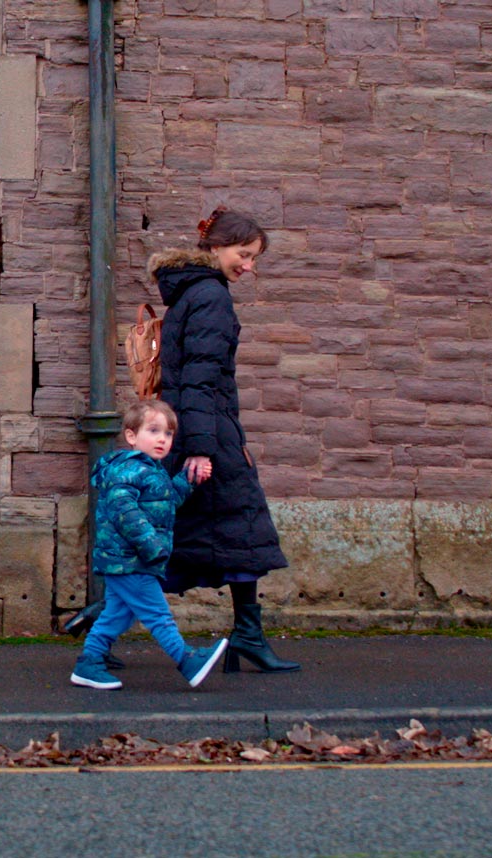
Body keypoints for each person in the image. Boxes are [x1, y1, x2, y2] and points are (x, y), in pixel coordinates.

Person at [151, 207, 301, 673]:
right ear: (215, 248)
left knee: (178, 536)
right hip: (207, 433)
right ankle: (247, 636)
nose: (249, 267)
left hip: (200, 430)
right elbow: (198, 379)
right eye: (244, 254)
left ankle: (247, 635)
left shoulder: (190, 293)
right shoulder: (211, 297)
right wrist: (201, 447)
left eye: (255, 259)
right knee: (241, 530)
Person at [72, 400, 229, 690]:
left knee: (116, 615)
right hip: (131, 560)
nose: (162, 439)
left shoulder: (151, 471)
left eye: (168, 434)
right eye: (154, 430)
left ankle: (88, 664)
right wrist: (151, 545)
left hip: (130, 560)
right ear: (131, 436)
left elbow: (167, 501)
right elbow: (124, 511)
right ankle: (187, 659)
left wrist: (188, 480)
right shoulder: (128, 470)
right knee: (157, 614)